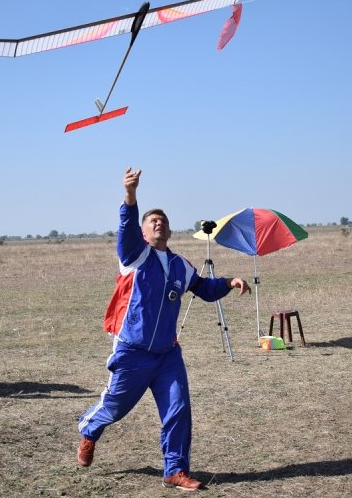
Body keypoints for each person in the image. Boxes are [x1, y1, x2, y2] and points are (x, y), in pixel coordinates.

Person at [77, 168, 251, 491]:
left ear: (170, 232)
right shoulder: (134, 256)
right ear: (144, 232)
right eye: (152, 221)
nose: (158, 223)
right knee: (115, 407)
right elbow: (126, 226)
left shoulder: (181, 266)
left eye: (163, 221)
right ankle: (89, 431)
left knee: (178, 407)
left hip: (167, 354)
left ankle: (175, 469)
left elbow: (204, 288)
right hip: (132, 351)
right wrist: (130, 195)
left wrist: (229, 282)